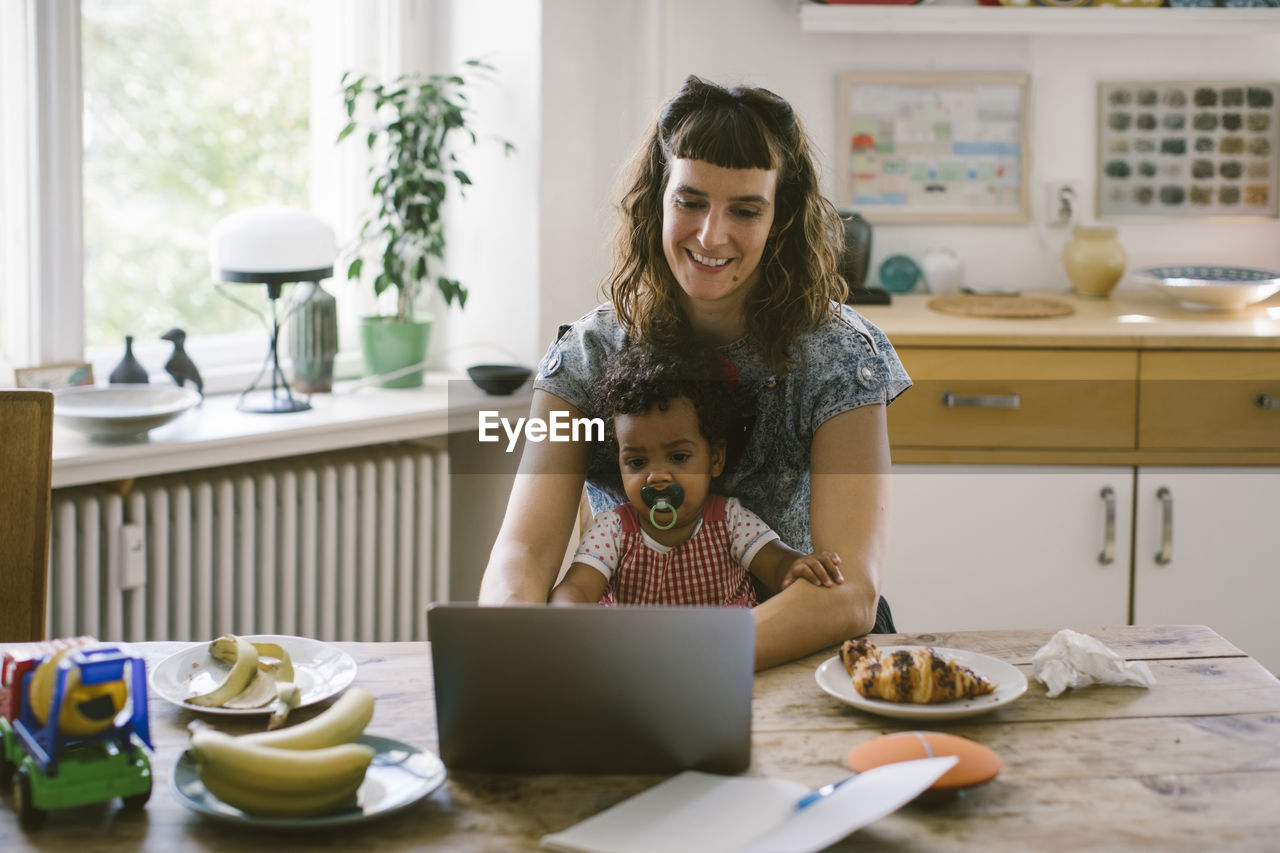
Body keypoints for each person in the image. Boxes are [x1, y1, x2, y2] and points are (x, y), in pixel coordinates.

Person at [480, 74, 911, 669]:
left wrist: (679, 660)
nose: (712, 235)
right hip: (624, 663)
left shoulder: (840, 359)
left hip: (803, 658)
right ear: (657, 198)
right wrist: (515, 648)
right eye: (690, 202)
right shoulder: (586, 356)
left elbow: (850, 593)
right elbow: (523, 554)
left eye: (745, 209)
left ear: (779, 218)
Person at [550, 342, 844, 607]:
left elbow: (779, 564)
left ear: (715, 458)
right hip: (638, 658)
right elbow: (576, 587)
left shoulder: (729, 521)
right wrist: (567, 611)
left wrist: (798, 567)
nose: (657, 477)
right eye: (638, 462)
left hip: (724, 655)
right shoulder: (612, 532)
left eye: (678, 457)